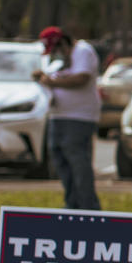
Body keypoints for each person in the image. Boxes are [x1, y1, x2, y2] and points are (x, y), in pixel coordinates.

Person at [33, 26, 101, 210]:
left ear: (64, 42)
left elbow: (82, 79)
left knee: (78, 161)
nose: (54, 54)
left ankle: (88, 206)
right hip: (57, 115)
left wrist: (52, 82)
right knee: (60, 159)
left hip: (79, 116)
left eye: (56, 49)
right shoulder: (56, 58)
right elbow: (52, 77)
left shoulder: (82, 51)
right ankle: (72, 203)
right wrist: (42, 77)